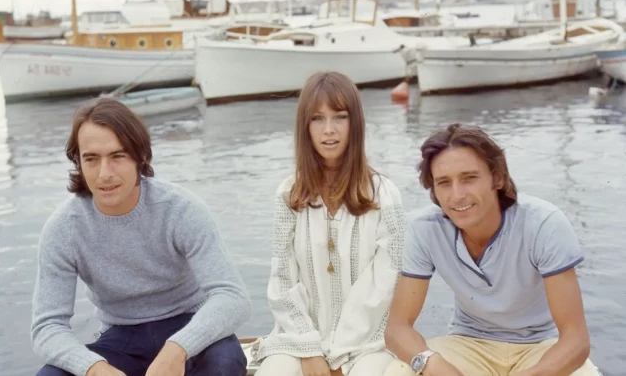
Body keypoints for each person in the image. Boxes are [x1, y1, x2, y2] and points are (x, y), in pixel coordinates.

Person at [31, 97, 252, 376]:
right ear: (78, 162)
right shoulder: (63, 228)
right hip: (120, 339)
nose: (105, 174)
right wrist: (94, 368)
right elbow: (47, 328)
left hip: (188, 327)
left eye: (118, 156)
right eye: (91, 159)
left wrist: (178, 349)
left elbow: (233, 297)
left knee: (224, 362)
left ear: (140, 156)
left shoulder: (180, 210)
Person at [383, 123, 600, 376]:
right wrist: (433, 364)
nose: (457, 195)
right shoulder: (425, 230)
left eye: (469, 178)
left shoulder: (543, 224)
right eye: (444, 183)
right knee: (401, 371)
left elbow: (576, 340)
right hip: (469, 343)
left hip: (540, 347)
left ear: (497, 177)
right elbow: (397, 328)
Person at [252, 72, 406, 376]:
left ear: (355, 123)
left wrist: (334, 356)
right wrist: (310, 350)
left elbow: (383, 285)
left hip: (368, 342)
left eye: (340, 117)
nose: (329, 130)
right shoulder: (288, 194)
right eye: (317, 119)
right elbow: (282, 281)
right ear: (305, 127)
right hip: (297, 340)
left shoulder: (385, 195)